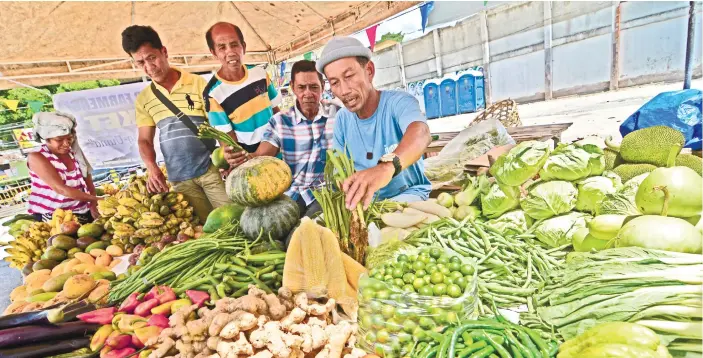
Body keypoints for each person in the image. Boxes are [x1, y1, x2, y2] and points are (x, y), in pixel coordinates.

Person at [122, 25, 230, 223]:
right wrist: (152, 167)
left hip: (211, 169)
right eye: (140, 62)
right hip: (179, 178)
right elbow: (144, 140)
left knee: (233, 219)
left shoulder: (199, 84)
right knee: (206, 229)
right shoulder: (144, 99)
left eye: (151, 57)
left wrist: (227, 158)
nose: (148, 67)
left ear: (164, 52)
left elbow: (220, 126)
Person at [316, 36, 432, 210]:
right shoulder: (342, 119)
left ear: (369, 71)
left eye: (349, 76)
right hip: (367, 204)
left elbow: (421, 133)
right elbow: (340, 170)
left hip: (408, 196)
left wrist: (387, 167)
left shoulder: (399, 103)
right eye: (334, 83)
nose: (344, 90)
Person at [224, 60, 339, 218]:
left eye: (313, 87)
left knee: (306, 230)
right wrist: (239, 158)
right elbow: (260, 157)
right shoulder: (279, 121)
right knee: (276, 233)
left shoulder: (338, 114)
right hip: (293, 194)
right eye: (301, 87)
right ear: (292, 87)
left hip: (327, 192)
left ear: (323, 86)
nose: (307, 93)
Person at [203, 22, 281, 155]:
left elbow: (276, 113)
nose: (230, 52)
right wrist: (243, 159)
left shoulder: (260, 74)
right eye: (222, 47)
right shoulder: (213, 94)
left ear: (243, 47)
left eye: (234, 45)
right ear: (214, 53)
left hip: (280, 151)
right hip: (252, 163)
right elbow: (228, 142)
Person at [27, 112, 100, 223]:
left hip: (82, 212)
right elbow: (61, 189)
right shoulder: (37, 156)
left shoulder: (75, 153)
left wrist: (93, 205)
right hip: (53, 216)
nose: (66, 144)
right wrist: (97, 199)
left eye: (69, 138)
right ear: (47, 138)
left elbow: (88, 180)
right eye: (59, 140)